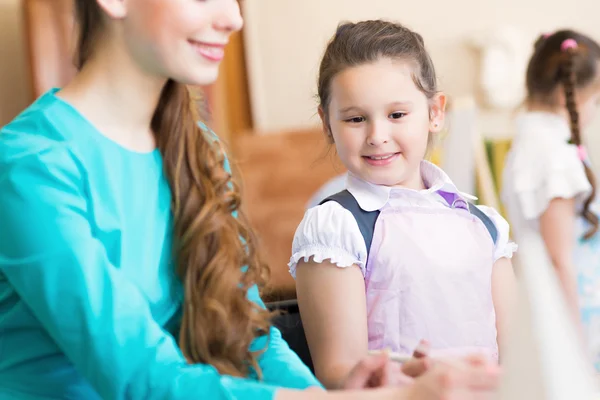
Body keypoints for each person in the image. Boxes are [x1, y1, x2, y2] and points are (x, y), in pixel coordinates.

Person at [0, 1, 500, 399]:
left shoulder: (199, 150)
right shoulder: (28, 164)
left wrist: (331, 389)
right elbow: (141, 378)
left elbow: (246, 334)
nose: (234, 16)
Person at [289, 20, 517, 389]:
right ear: (327, 124)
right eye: (356, 118)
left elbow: (515, 354)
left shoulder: (485, 225)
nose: (378, 136)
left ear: (434, 112)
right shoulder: (336, 227)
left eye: (397, 115)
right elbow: (338, 373)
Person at [502, 29, 600, 370]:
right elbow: (560, 259)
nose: (594, 111)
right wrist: (575, 352)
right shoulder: (554, 156)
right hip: (579, 312)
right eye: (596, 100)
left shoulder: (528, 141)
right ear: (567, 95)